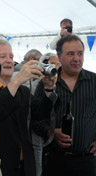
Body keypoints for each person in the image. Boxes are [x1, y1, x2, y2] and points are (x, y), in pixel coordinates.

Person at [0, 38, 57, 176]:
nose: (9, 60)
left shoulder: (23, 91)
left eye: (11, 56)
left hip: (24, 165)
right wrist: (17, 81)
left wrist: (48, 89)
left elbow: (39, 114)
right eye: (3, 57)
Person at [40, 34, 96, 176]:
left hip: (87, 162)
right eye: (70, 54)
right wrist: (50, 132)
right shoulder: (47, 82)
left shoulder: (94, 81)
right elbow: (35, 118)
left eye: (80, 53)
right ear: (59, 57)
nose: (76, 58)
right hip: (55, 161)